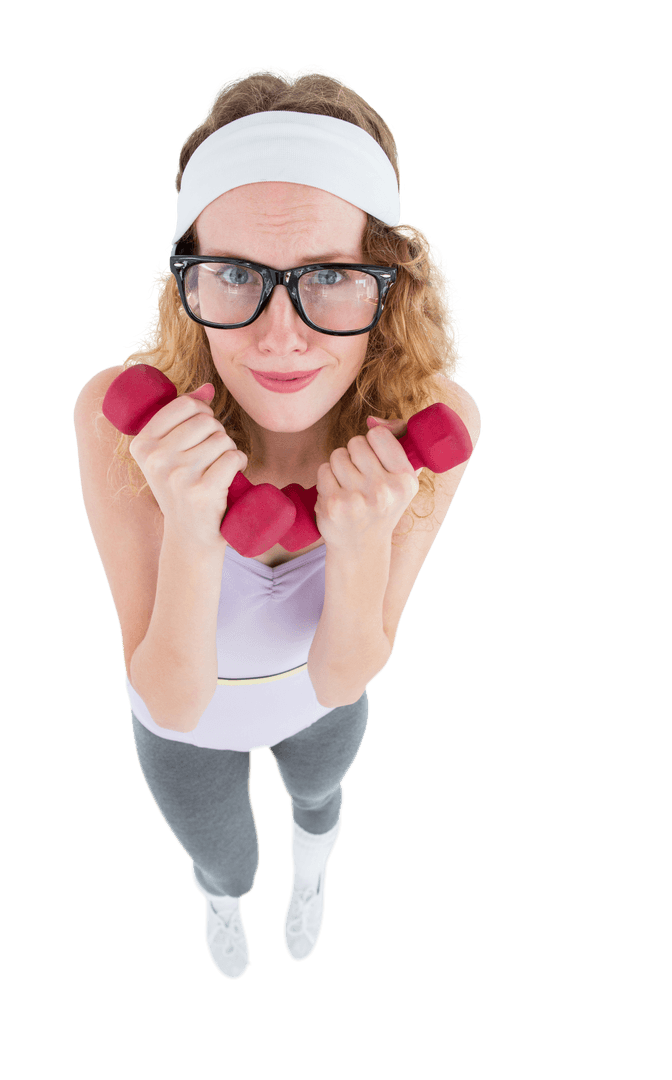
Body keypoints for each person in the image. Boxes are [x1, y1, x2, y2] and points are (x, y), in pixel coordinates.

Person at [72, 66, 482, 981]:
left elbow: (344, 673)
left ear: (392, 284)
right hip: (183, 731)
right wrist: (189, 517)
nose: (281, 336)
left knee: (321, 797)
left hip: (321, 705)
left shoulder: (436, 422)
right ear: (187, 279)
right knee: (225, 864)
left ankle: (318, 872)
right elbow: (173, 700)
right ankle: (227, 905)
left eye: (330, 276)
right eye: (234, 274)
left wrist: (365, 534)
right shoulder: (120, 416)